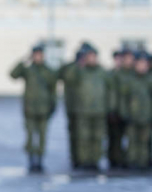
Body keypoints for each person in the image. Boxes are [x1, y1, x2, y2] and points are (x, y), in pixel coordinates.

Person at [63, 44, 112, 170]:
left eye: (93, 56)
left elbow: (110, 89)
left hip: (99, 110)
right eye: (89, 57)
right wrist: (78, 65)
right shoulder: (79, 70)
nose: (92, 59)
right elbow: (68, 78)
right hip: (83, 111)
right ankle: (84, 161)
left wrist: (110, 107)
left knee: (97, 137)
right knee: (83, 138)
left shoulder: (102, 72)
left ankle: (95, 161)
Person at [10, 44, 57, 172]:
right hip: (29, 110)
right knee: (30, 136)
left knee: (42, 137)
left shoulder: (48, 71)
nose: (38, 57)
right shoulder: (28, 70)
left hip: (44, 110)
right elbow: (13, 74)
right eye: (35, 55)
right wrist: (24, 60)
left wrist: (53, 106)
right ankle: (31, 160)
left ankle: (40, 160)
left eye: (40, 54)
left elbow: (53, 91)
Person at [118, 50, 151, 170]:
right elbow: (123, 99)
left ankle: (143, 162)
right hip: (132, 116)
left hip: (147, 116)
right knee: (132, 141)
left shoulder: (149, 80)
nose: (142, 67)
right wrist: (124, 113)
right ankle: (132, 162)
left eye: (144, 64)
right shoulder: (130, 80)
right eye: (140, 64)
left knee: (144, 141)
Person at [108, 47, 135, 169]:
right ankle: (116, 160)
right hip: (119, 111)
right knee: (116, 139)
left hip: (134, 112)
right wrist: (113, 110)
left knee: (132, 139)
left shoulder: (135, 74)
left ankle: (129, 160)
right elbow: (113, 94)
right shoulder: (116, 74)